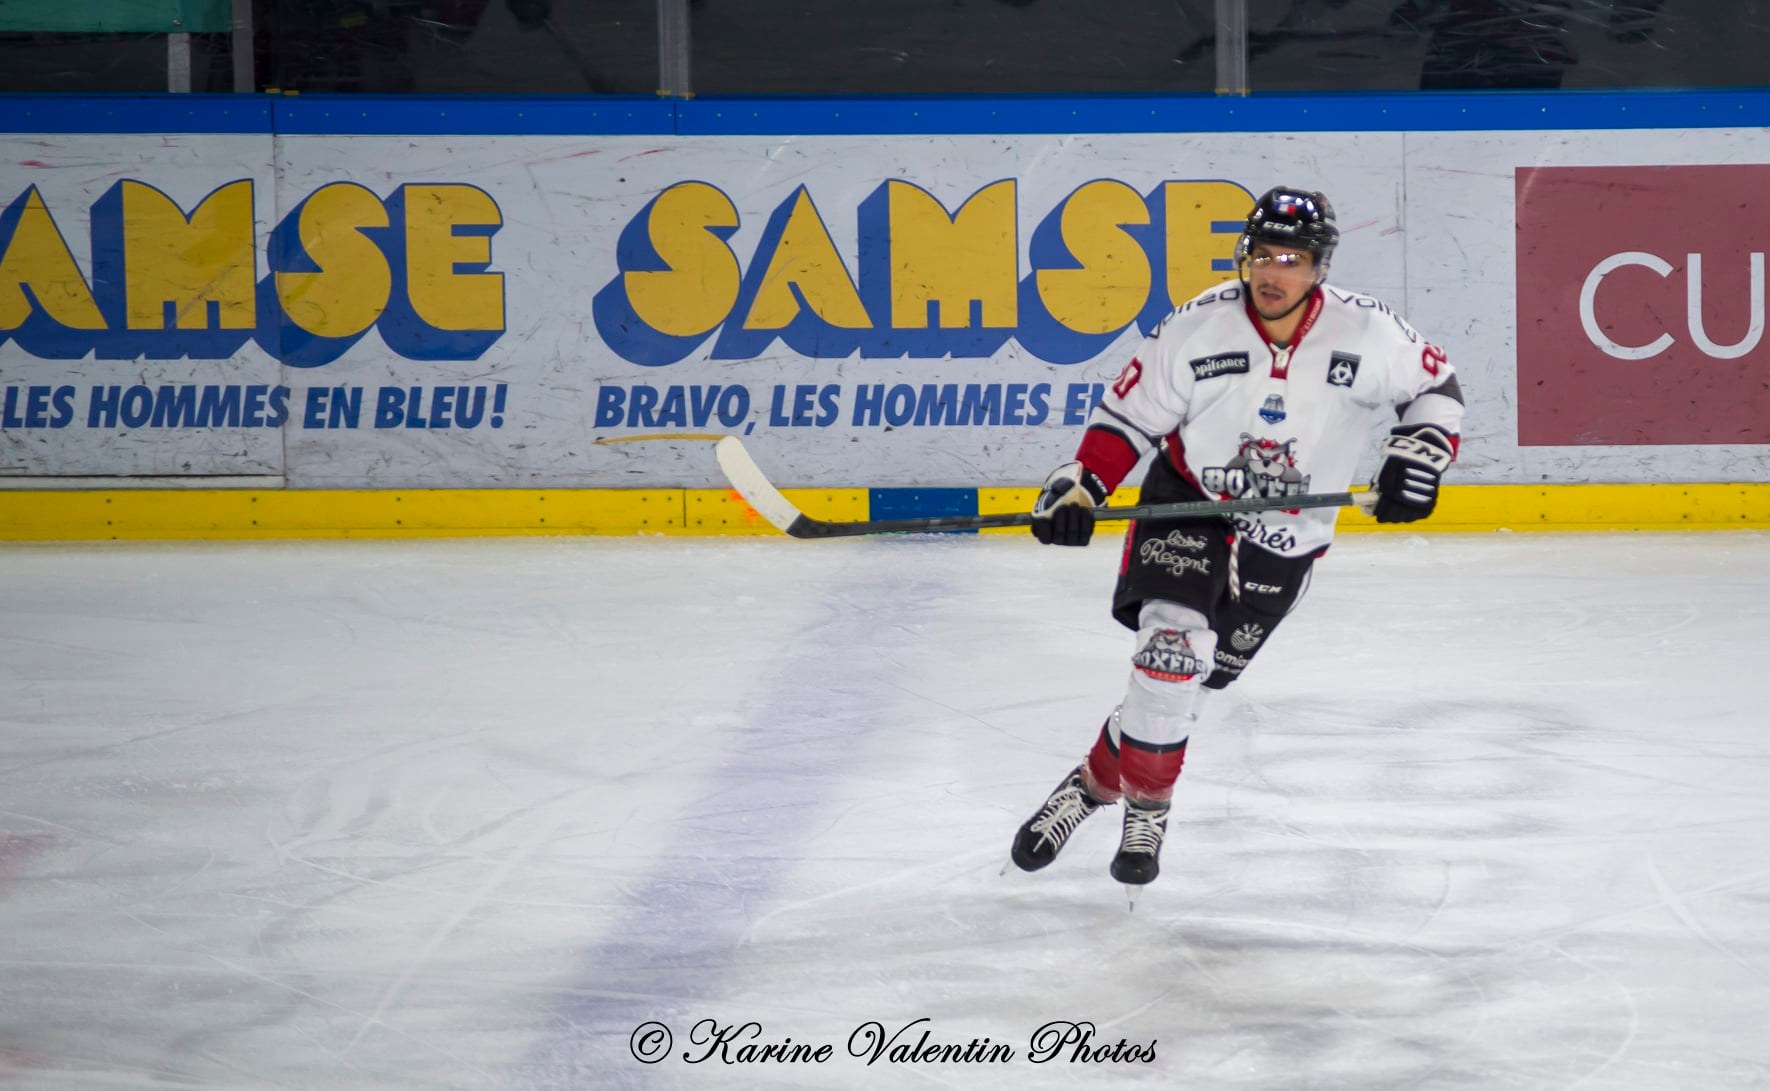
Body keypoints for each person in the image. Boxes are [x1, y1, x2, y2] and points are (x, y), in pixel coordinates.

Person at [1009, 186, 1465, 901]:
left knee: (1193, 682)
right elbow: (1128, 419)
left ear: (1320, 268)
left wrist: (1418, 456)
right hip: (1188, 505)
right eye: (1262, 254)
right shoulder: (1198, 326)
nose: (1272, 272)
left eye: (1292, 259)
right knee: (1170, 654)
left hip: (1289, 537)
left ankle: (1093, 784)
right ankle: (1147, 813)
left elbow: (1436, 388)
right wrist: (1081, 486)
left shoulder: (1369, 331)